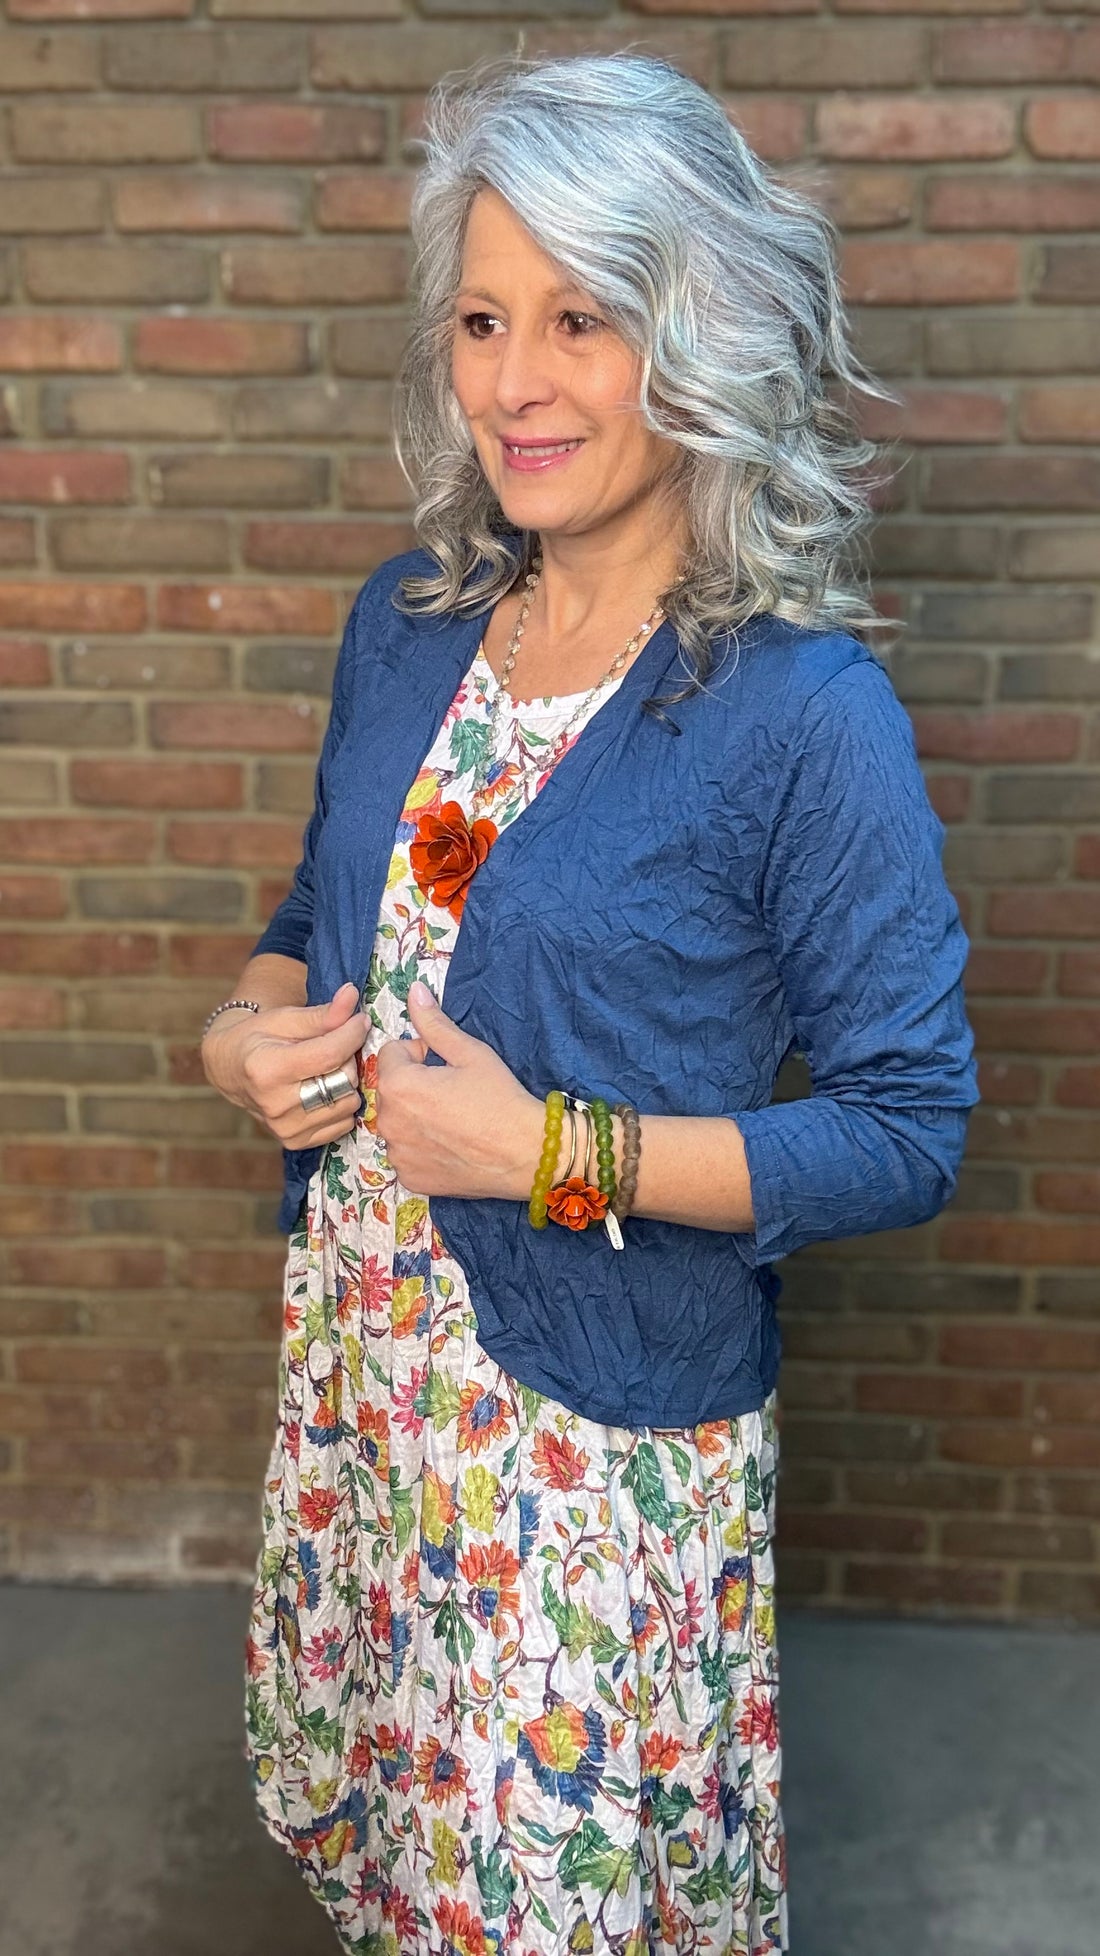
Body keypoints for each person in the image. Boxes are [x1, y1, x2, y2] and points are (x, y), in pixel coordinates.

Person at [200, 50, 978, 1956]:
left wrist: (555, 1148)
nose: (515, 382)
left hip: (589, 1439)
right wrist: (245, 1027)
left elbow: (905, 1126)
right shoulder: (406, 621)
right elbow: (319, 903)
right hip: (375, 1376)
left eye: (583, 317)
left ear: (698, 332)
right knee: (405, 1865)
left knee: (547, 1897)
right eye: (481, 318)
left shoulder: (801, 721)